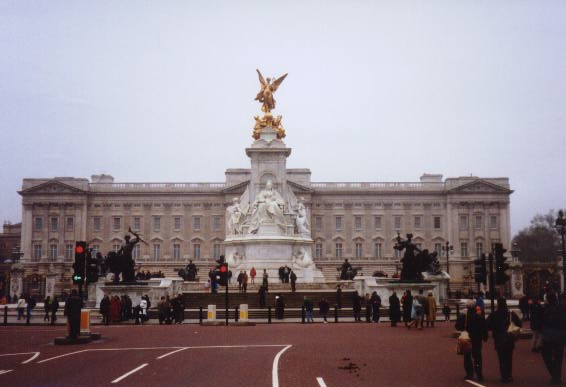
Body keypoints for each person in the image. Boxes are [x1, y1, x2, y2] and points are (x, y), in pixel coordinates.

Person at [487, 298, 522, 383]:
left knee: (502, 358)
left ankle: (504, 376)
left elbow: (488, 326)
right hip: (509, 338)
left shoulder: (494, 314)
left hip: (499, 338)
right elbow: (519, 324)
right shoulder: (511, 314)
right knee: (509, 357)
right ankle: (509, 375)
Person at [456, 301, 488, 382]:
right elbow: (484, 326)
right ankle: (479, 374)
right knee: (478, 357)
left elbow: (458, 326)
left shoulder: (464, 315)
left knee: (467, 357)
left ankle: (469, 374)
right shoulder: (479, 314)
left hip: (467, 338)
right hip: (477, 338)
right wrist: (485, 336)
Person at [540, 292, 565, 385]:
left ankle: (555, 375)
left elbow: (539, 322)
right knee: (558, 358)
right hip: (560, 336)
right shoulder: (562, 309)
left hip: (548, 337)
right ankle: (556, 377)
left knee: (547, 356)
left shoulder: (544, 309)